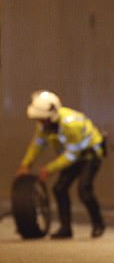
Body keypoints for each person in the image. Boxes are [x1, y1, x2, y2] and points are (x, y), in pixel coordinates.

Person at [16, 90, 106, 239]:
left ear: (52, 116)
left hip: (90, 156)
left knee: (84, 190)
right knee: (59, 189)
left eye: (42, 119)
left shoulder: (72, 125)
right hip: (72, 155)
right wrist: (25, 165)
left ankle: (98, 224)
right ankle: (66, 228)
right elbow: (37, 145)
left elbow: (72, 155)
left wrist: (48, 169)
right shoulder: (44, 125)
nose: (40, 123)